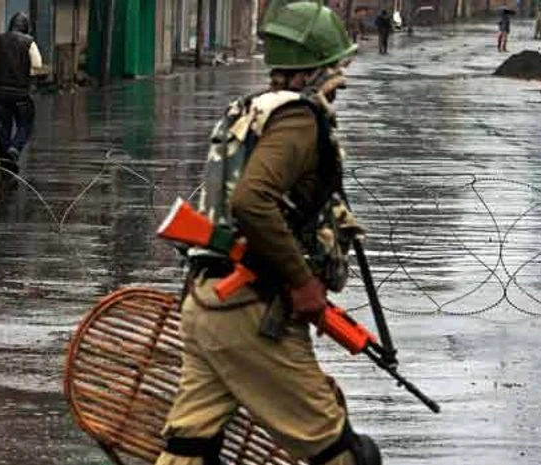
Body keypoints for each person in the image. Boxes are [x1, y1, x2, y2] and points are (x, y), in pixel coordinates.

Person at [154, 2, 381, 465]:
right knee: (346, 455)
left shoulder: (252, 111)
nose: (341, 81)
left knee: (188, 450)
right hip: (251, 310)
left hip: (208, 302)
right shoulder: (298, 119)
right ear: (316, 70)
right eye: (336, 69)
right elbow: (251, 201)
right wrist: (302, 281)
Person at [0, 12, 43, 172]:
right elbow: (37, 64)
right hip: (21, 94)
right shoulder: (28, 42)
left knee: (2, 131)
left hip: (0, 94)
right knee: (25, 124)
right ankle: (15, 147)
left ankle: (5, 167)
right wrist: (27, 72)